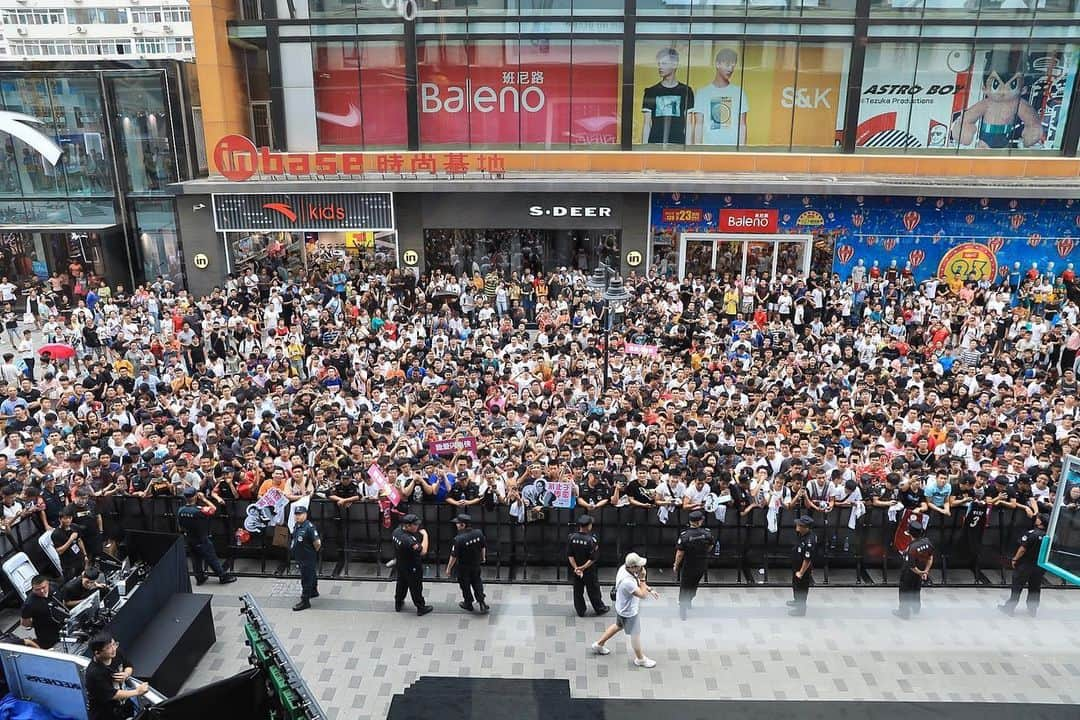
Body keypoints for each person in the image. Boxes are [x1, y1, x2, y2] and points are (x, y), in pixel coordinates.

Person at [590, 552, 659, 668]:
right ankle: (640, 659)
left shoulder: (624, 569)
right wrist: (643, 579)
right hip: (629, 613)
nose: (642, 568)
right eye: (639, 566)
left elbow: (639, 584)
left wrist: (650, 589)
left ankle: (599, 644)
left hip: (621, 608)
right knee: (635, 635)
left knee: (618, 625)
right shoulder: (628, 582)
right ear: (632, 567)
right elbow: (642, 595)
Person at [177, 486, 237, 587]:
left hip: (189, 538)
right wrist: (204, 499)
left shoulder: (180, 510)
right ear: (195, 496)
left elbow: (179, 527)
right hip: (201, 538)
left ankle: (199, 578)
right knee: (211, 557)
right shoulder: (200, 510)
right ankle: (222, 576)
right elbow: (213, 508)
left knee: (195, 559)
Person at [85, 633, 149, 720]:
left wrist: (126, 674)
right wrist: (137, 691)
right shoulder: (94, 673)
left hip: (124, 706)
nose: (113, 649)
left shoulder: (116, 653)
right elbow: (113, 694)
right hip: (105, 713)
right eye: (108, 648)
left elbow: (128, 666)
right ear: (97, 653)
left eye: (114, 644)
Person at [999, 513, 1049, 617]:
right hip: (1040, 566)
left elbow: (1022, 549)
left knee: (1017, 588)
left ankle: (1010, 608)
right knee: (1035, 588)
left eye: (1038, 518)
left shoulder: (1031, 534)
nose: (1036, 519)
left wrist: (1015, 559)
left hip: (1025, 565)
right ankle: (1032, 610)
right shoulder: (1049, 536)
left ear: (1041, 522)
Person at [673, 509, 714, 620]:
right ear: (699, 521)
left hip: (688, 565)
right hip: (701, 564)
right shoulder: (706, 533)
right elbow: (710, 546)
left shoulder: (685, 536)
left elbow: (680, 554)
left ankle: (683, 607)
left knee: (685, 585)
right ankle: (689, 600)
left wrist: (676, 565)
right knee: (694, 584)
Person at [445, 513, 488, 614]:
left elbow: (454, 556)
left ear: (463, 525)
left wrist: (448, 568)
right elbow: (483, 547)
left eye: (458, 523)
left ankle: (468, 603)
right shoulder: (478, 533)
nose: (456, 525)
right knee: (477, 582)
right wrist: (483, 557)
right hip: (476, 564)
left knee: (465, 585)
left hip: (463, 567)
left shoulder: (458, 539)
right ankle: (481, 601)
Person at [567, 514, 609, 617]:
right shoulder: (591, 540)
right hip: (589, 570)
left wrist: (576, 568)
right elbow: (592, 558)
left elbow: (570, 555)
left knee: (578, 591)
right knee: (593, 590)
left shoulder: (571, 537)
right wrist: (583, 567)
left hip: (576, 570)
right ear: (588, 526)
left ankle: (580, 610)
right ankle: (599, 608)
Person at [894, 515, 934, 619]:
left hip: (909, 573)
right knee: (916, 589)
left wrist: (920, 572)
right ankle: (916, 608)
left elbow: (911, 566)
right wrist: (925, 571)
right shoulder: (927, 542)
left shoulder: (911, 548)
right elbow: (930, 558)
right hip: (920, 571)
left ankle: (904, 612)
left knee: (904, 591)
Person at [392, 514, 433, 616]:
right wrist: (425, 536)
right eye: (415, 525)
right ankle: (420, 607)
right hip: (412, 566)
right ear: (407, 525)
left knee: (401, 583)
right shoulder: (409, 540)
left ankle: (398, 602)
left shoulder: (396, 532)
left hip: (401, 563)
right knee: (416, 587)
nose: (417, 527)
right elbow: (423, 551)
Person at [20, 575, 66, 649]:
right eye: (37, 589)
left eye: (43, 587)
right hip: (46, 634)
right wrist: (38, 623)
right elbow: (24, 623)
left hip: (62, 624)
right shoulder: (29, 604)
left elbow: (62, 600)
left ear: (48, 584)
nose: (41, 591)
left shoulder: (54, 587)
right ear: (33, 588)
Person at [289, 504, 321, 611]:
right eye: (296, 514)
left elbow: (317, 543)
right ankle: (313, 591)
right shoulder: (297, 525)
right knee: (311, 574)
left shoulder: (309, 527)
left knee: (306, 578)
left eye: (300, 514)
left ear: (305, 515)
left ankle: (305, 600)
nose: (297, 516)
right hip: (300, 556)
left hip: (307, 557)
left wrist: (312, 552)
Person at [788, 515, 817, 617]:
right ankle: (797, 601)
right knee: (795, 586)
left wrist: (801, 572)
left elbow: (807, 559)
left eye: (800, 525)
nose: (797, 525)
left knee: (801, 589)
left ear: (806, 527)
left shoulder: (809, 540)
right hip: (796, 565)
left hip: (803, 569)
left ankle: (800, 611)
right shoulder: (802, 535)